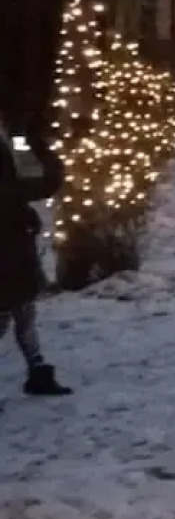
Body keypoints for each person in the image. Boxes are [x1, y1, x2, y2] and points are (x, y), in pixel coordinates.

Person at [0, 111, 72, 396]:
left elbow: (32, 180)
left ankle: (38, 369)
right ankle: (37, 370)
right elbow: (33, 182)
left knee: (22, 310)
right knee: (10, 310)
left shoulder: (10, 141)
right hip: (9, 242)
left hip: (14, 240)